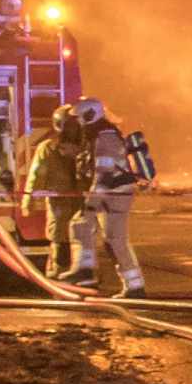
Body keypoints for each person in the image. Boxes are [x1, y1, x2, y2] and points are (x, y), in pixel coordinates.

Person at [78, 100, 154, 297]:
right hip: (114, 192)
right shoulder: (102, 135)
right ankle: (132, 286)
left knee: (116, 240)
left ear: (89, 116)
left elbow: (104, 173)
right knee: (112, 239)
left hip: (117, 193)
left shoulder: (105, 138)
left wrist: (93, 200)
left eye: (80, 117)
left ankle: (135, 288)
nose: (79, 122)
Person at [21, 102, 89, 281]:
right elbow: (36, 175)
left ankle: (81, 273)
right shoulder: (48, 148)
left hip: (81, 200)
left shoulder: (87, 147)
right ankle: (57, 273)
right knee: (59, 236)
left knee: (81, 236)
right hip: (59, 201)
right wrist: (28, 200)